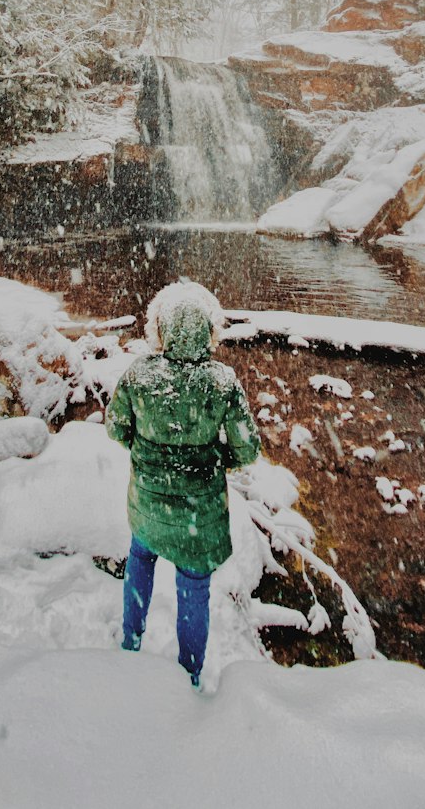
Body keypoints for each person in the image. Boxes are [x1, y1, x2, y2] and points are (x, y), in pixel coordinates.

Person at [105, 280, 260, 687]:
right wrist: (214, 460)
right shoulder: (222, 381)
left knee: (140, 560)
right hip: (199, 515)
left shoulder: (139, 374)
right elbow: (247, 450)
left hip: (148, 507)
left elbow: (116, 429)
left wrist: (147, 451)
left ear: (162, 328)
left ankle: (131, 640)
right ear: (211, 330)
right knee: (193, 588)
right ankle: (189, 673)